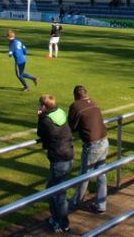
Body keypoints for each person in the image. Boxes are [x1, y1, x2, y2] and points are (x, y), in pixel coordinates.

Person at [68, 85, 108, 214]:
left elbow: (71, 127)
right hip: (104, 140)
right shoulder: (94, 102)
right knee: (101, 173)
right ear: (86, 94)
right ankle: (101, 204)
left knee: (84, 175)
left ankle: (75, 201)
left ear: (75, 96)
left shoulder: (75, 106)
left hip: (93, 144)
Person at [37, 94, 74, 233]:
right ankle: (62, 222)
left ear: (43, 107)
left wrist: (40, 117)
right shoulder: (60, 112)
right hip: (68, 154)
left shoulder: (46, 120)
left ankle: (59, 222)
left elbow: (41, 133)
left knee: (55, 193)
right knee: (59, 191)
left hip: (59, 158)